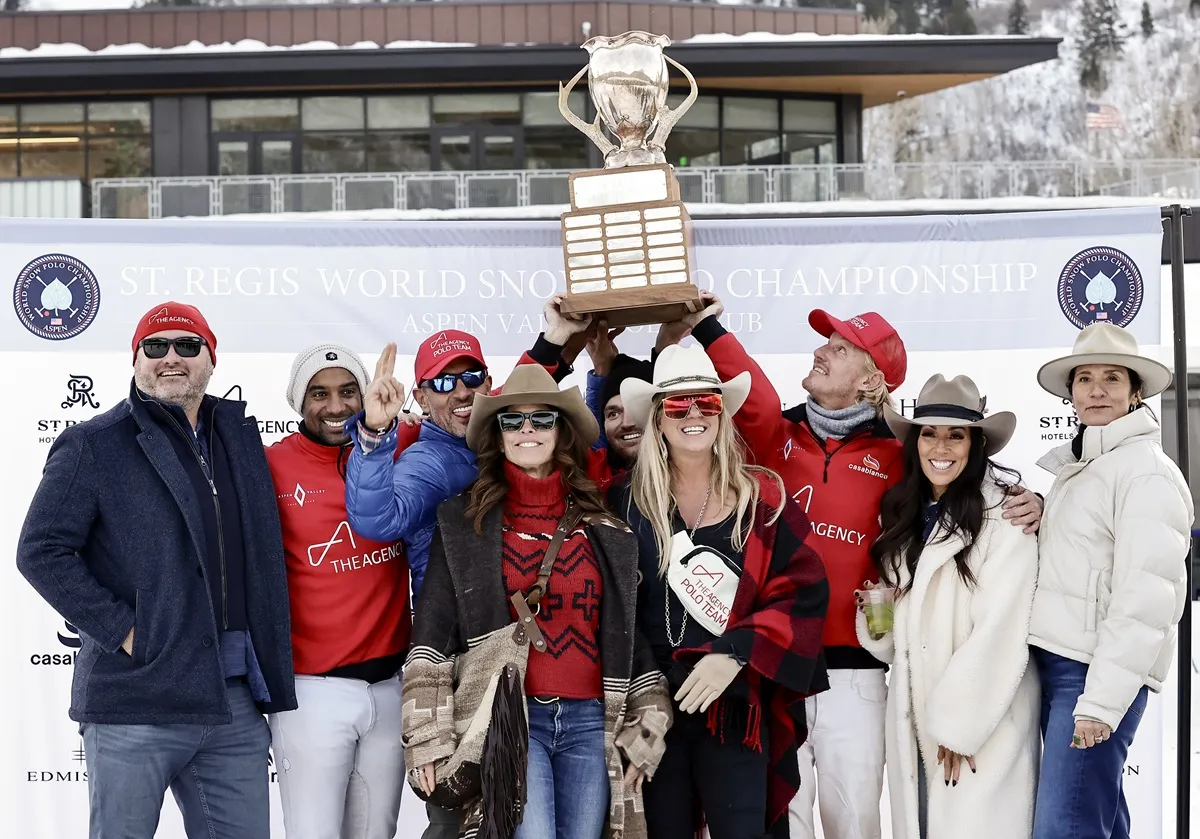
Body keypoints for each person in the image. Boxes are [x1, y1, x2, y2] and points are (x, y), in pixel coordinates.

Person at [668, 292, 1044, 839]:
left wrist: (1035, 503)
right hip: (772, 667)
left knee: (856, 825)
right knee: (781, 822)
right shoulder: (776, 435)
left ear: (871, 379)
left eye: (840, 348)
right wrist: (707, 329)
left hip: (856, 676)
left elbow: (962, 487)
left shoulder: (903, 456)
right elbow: (751, 401)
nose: (821, 351)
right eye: (826, 342)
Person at [16, 302, 296, 839]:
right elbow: (41, 549)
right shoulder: (94, 444)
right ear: (136, 358)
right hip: (136, 699)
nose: (172, 358)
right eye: (156, 346)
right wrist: (126, 633)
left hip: (230, 702)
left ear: (211, 359)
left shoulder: (237, 436)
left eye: (188, 346)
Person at [344, 297, 593, 839]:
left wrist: (555, 338)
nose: (459, 393)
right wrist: (372, 436)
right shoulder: (430, 461)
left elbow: (523, 400)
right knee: (463, 817)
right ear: (419, 396)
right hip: (457, 659)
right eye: (441, 383)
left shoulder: (500, 433)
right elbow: (377, 516)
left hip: (532, 661)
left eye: (471, 377)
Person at [402, 364, 672, 839]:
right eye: (513, 421)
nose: (527, 430)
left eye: (541, 419)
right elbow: (434, 631)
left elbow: (628, 633)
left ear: (561, 432)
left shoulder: (607, 528)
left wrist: (650, 719)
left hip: (591, 720)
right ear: (497, 435)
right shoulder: (464, 522)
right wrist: (425, 737)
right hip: (512, 717)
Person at [613, 344, 830, 839]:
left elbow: (804, 591)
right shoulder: (622, 503)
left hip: (734, 708)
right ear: (657, 420)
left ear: (722, 414)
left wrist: (734, 652)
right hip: (652, 710)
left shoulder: (763, 499)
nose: (693, 414)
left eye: (707, 403)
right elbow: (611, 609)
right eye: (677, 405)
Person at [855, 374, 1039, 839]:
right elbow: (901, 641)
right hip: (915, 716)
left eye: (956, 435)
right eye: (930, 433)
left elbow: (1002, 628)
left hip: (980, 721)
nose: (942, 446)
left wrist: (960, 726)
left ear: (975, 444)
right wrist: (879, 617)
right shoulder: (905, 517)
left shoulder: (1005, 516)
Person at [1028, 323, 1193, 839]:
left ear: (1135, 392)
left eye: (1112, 378)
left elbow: (1147, 598)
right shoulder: (1080, 470)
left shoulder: (1145, 471)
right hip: (1061, 665)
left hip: (1091, 672)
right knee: (1091, 819)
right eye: (1085, 379)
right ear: (1072, 392)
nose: (1096, 390)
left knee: (1066, 827)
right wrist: (1041, 512)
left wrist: (1100, 702)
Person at [265, 344, 414, 839]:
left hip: (390, 688)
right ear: (297, 401)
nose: (335, 406)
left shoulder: (399, 439)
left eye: (349, 391)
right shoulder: (270, 465)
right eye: (319, 393)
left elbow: (483, 409)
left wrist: (552, 346)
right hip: (311, 692)